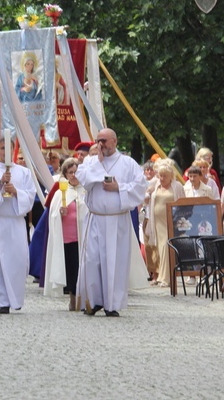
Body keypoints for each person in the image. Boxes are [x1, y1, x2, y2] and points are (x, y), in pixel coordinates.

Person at [75, 128, 148, 316]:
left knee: (114, 262)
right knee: (92, 261)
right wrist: (98, 165)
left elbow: (140, 187)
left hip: (116, 220)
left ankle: (112, 304)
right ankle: (94, 301)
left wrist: (119, 188)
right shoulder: (90, 162)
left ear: (115, 141)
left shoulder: (128, 163)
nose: (101, 144)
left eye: (105, 141)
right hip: (95, 219)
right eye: (98, 140)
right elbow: (83, 179)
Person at [0, 136, 35, 314]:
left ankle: (16, 299)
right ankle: (3, 301)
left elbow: (31, 195)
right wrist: (1, 183)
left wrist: (16, 192)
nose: (5, 152)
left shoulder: (23, 172)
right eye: (2, 148)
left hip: (16, 221)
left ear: (14, 149)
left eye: (8, 148)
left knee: (17, 261)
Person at [44, 158, 86, 311]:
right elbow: (52, 215)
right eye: (70, 172)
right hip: (66, 238)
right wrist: (59, 213)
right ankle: (72, 297)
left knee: (79, 268)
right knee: (70, 269)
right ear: (65, 175)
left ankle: (81, 296)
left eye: (76, 172)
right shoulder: (60, 193)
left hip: (80, 238)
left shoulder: (85, 191)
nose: (74, 175)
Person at [145, 159, 185, 287]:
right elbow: (144, 192)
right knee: (160, 248)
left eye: (164, 176)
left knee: (166, 246)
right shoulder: (155, 184)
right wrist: (147, 194)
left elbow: (183, 203)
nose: (162, 178)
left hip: (171, 221)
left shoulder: (177, 186)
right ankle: (161, 276)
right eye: (160, 175)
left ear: (170, 176)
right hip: (156, 221)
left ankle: (166, 278)